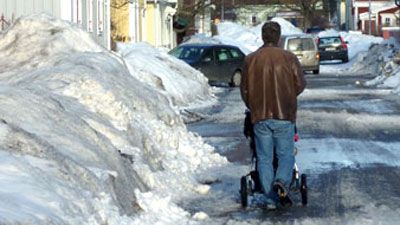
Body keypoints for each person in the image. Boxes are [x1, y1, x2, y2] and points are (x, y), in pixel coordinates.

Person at [240, 21, 306, 209]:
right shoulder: (289, 58)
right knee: (285, 155)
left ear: (263, 36)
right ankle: (281, 182)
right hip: (284, 115)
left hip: (260, 116)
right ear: (278, 37)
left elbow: (244, 89)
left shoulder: (250, 59)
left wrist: (253, 105)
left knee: (264, 158)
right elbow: (300, 84)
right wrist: (288, 96)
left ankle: (270, 199)